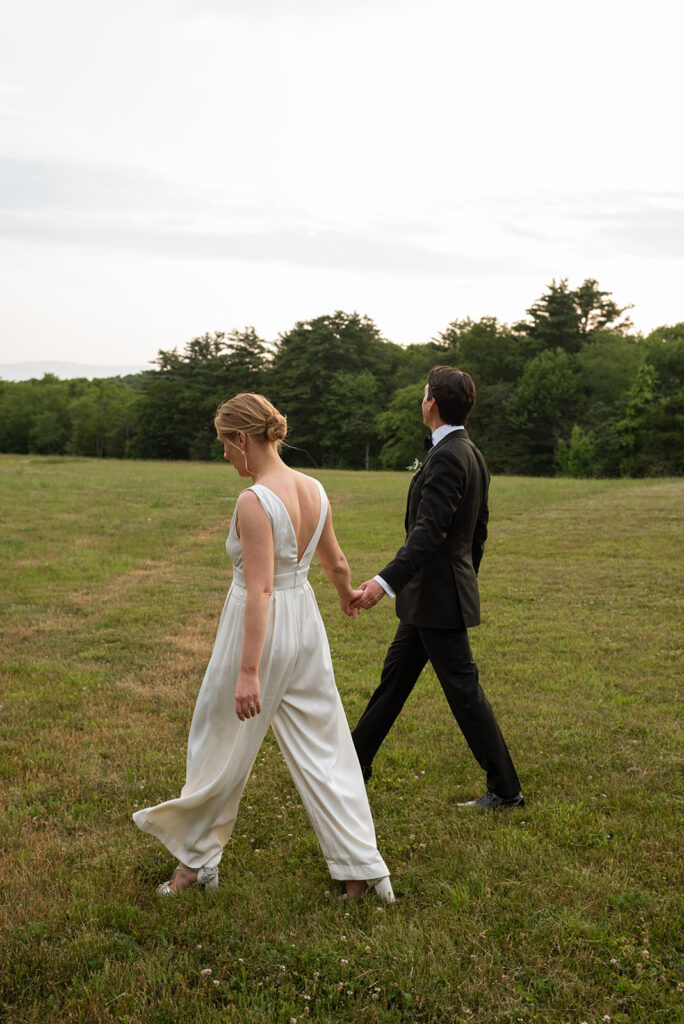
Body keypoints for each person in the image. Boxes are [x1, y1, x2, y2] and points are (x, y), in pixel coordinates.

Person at [133, 393, 393, 903]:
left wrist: (249, 670)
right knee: (327, 747)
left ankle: (194, 867)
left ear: (242, 439)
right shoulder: (313, 488)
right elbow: (337, 563)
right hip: (306, 626)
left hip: (260, 629)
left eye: (224, 445)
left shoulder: (254, 500)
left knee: (217, 744)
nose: (224, 456)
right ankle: (360, 870)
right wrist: (348, 598)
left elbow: (260, 590)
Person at [350, 366, 523, 809]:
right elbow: (477, 533)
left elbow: (428, 534)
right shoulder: (468, 451)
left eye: (424, 393)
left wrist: (384, 583)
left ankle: (506, 791)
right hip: (431, 598)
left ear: (431, 404)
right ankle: (353, 764)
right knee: (393, 683)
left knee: (465, 695)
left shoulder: (449, 455)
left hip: (436, 599)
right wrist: (463, 577)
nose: (422, 399)